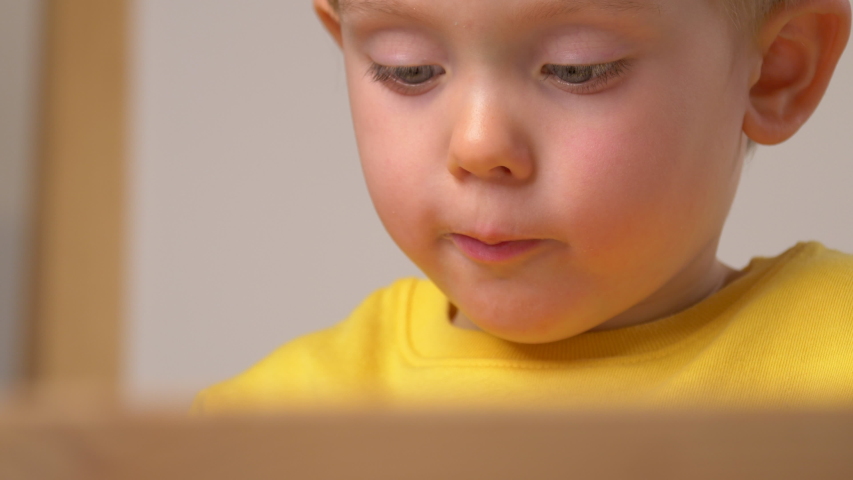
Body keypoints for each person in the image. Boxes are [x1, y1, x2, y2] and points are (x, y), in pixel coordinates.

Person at [193, 0, 853, 412]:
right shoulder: (262, 433)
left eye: (576, 68)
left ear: (775, 70)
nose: (479, 146)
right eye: (409, 68)